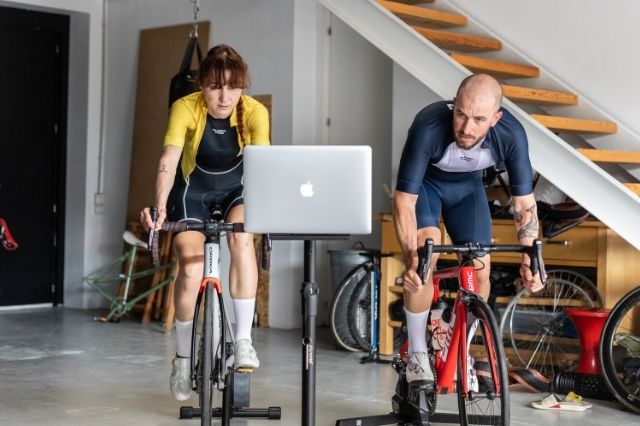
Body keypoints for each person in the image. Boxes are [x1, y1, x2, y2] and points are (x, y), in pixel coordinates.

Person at [393, 73, 543, 385]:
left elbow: (524, 205)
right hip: (427, 190)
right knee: (426, 255)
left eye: (478, 119)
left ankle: (460, 345)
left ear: (496, 118)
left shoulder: (511, 136)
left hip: (468, 193)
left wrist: (530, 259)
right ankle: (418, 354)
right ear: (453, 106)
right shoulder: (428, 126)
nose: (466, 128)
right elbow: (404, 201)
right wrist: (410, 259)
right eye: (461, 114)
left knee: (480, 268)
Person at [140, 44, 269, 401]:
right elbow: (169, 158)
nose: (224, 96)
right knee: (191, 268)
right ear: (202, 85)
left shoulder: (255, 112)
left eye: (232, 86)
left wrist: (268, 208)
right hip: (192, 193)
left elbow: (262, 167)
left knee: (242, 240)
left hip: (236, 192)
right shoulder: (184, 107)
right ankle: (183, 357)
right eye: (215, 86)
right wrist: (160, 206)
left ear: (242, 85)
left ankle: (243, 341)